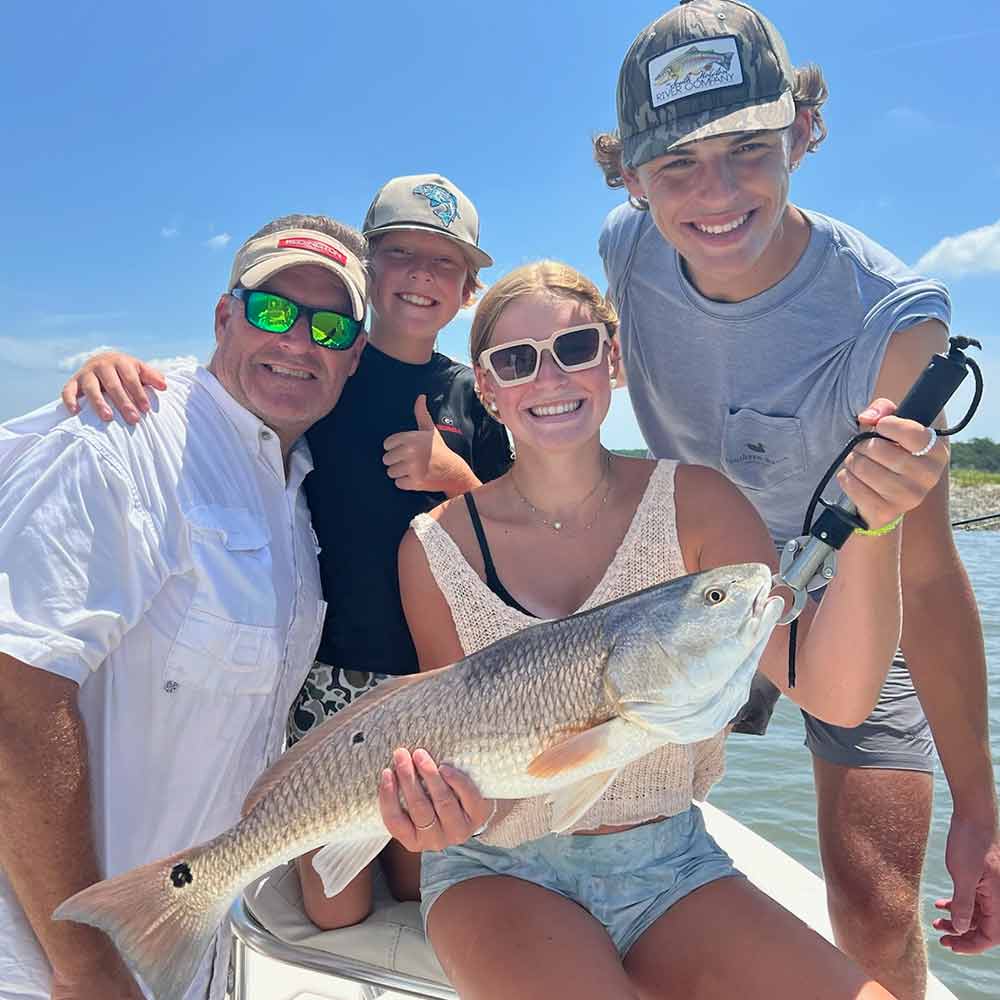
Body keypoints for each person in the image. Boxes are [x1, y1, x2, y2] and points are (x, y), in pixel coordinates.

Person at [395, 260, 946, 1000]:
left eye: (577, 349)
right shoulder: (431, 549)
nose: (550, 378)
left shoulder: (701, 504)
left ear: (613, 361)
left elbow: (835, 697)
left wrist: (878, 528)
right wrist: (436, 813)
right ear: (487, 387)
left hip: (671, 863)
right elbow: (458, 759)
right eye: (517, 361)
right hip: (498, 868)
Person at [592, 1, 1000, 993]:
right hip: (699, 593)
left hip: (856, 598)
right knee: (598, 846)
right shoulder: (625, 251)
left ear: (803, 132)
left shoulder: (894, 326)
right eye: (676, 164)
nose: (716, 192)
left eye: (747, 148)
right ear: (629, 179)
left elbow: (933, 574)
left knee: (871, 899)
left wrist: (980, 811)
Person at [59, 174, 510, 929]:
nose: (423, 275)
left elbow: (520, 531)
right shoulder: (323, 373)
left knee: (415, 884)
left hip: (434, 679)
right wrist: (109, 364)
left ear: (468, 290)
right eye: (401, 254)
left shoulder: (474, 397)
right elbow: (219, 415)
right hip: (320, 672)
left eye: (445, 263)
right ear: (368, 270)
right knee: (333, 902)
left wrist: (454, 477)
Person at [0, 215, 368, 1000]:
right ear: (223, 316)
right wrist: (84, 966)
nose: (299, 341)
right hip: (45, 966)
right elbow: (15, 697)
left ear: (354, 356)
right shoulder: (121, 437)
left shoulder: (293, 488)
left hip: (185, 951)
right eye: (273, 311)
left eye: (330, 327)